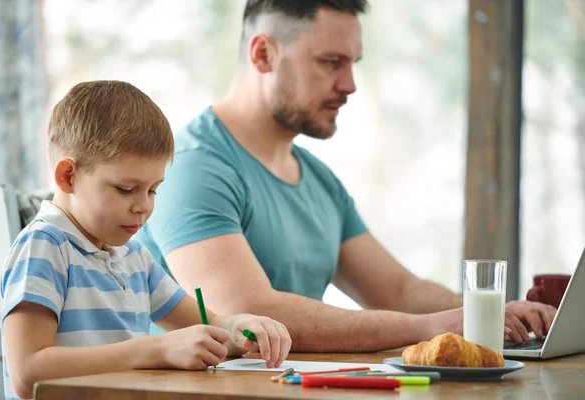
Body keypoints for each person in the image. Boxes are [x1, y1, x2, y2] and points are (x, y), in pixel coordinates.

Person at [135, 0, 556, 351]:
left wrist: (492, 312)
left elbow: (398, 291)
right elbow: (248, 313)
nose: (350, 84)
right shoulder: (192, 167)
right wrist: (434, 326)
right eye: (330, 62)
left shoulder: (318, 179)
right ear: (263, 54)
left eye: (353, 63)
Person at [1, 80, 291, 400]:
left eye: (153, 189)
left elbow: (210, 325)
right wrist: (156, 349)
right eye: (126, 189)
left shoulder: (133, 257)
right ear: (68, 176)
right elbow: (27, 373)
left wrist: (243, 330)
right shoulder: (44, 247)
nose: (144, 206)